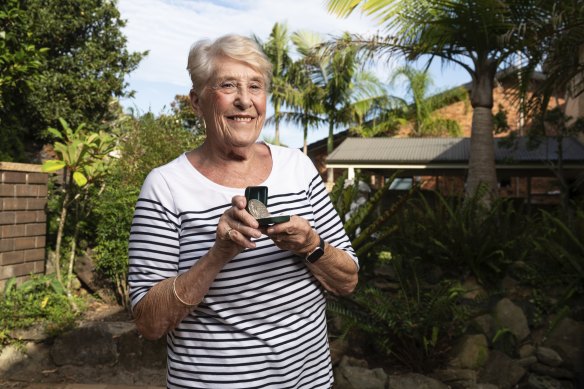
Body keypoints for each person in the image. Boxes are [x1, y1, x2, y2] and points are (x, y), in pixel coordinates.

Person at [127, 34, 359, 389]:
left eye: (255, 86)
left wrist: (310, 244)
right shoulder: (166, 186)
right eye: (227, 85)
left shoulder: (297, 167)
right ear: (196, 101)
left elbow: (347, 280)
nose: (244, 101)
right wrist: (219, 254)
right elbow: (149, 323)